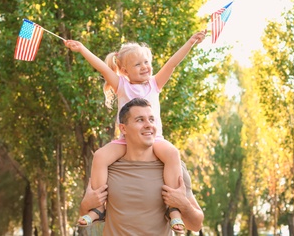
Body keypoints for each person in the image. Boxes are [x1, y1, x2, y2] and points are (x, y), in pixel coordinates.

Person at [65, 30, 206, 233]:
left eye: (147, 62)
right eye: (137, 64)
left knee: (173, 154)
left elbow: (173, 63)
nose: (144, 67)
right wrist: (82, 49)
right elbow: (102, 67)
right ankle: (98, 209)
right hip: (124, 140)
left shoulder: (155, 84)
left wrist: (191, 42)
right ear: (123, 69)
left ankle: (174, 209)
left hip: (155, 139)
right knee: (100, 156)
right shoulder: (121, 85)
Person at [79, 98, 204, 234]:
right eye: (140, 120)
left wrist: (183, 205)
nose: (148, 125)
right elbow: (88, 215)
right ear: (123, 128)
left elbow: (196, 225)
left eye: (151, 119)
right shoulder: (108, 165)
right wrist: (85, 205)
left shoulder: (173, 166)